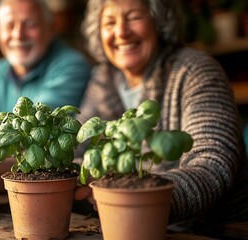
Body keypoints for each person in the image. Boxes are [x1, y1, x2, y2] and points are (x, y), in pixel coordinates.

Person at [74, 0, 248, 237]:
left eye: (134, 17)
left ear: (159, 21)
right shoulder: (103, 78)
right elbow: (77, 148)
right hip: (126, 226)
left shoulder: (195, 71)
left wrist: (143, 197)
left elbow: (213, 163)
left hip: (213, 230)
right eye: (110, 22)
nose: (121, 32)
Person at [0, 0, 91, 121]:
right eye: (9, 26)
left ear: (50, 29)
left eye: (30, 25)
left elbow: (34, 126)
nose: (18, 35)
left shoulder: (72, 66)